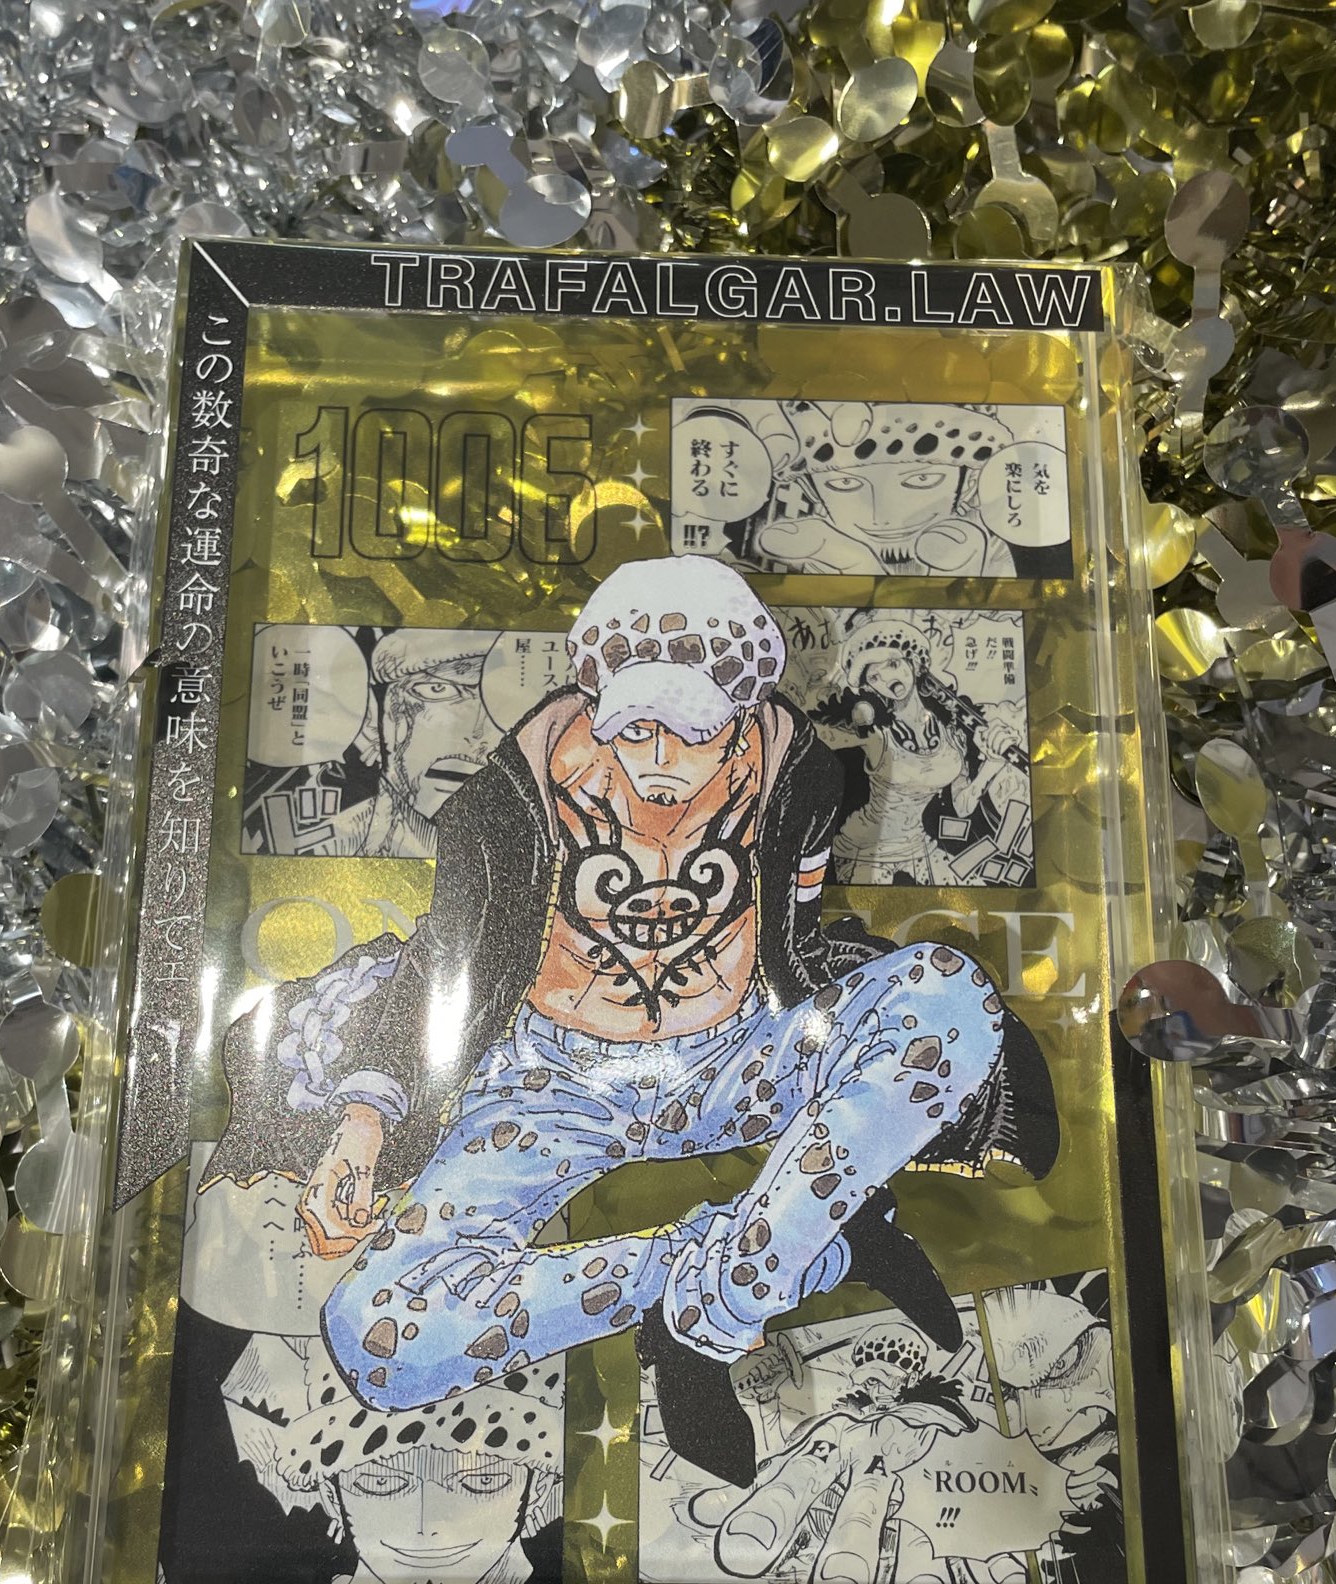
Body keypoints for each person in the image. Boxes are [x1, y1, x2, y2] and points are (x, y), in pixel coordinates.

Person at [239, 554, 1058, 1489]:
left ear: (742, 710)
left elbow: (793, 938)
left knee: (947, 993)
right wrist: (365, 1118)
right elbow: (447, 950)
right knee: (375, 1337)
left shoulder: (795, 771)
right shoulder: (514, 792)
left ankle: (709, 1319)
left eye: (693, 732)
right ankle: (771, 1257)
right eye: (634, 728)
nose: (660, 759)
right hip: (549, 1087)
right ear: (597, 701)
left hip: (735, 1057)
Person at [806, 618, 1031, 887]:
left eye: (893, 664)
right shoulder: (875, 732)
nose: (888, 679)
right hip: (869, 850)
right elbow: (815, 734)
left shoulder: (951, 732)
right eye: (875, 677)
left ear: (912, 663)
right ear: (870, 688)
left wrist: (992, 765)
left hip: (924, 846)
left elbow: (962, 806)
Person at [745, 403, 1073, 580]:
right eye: (844, 484)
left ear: (969, 481)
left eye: (921, 480)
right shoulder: (802, 566)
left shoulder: (1010, 553)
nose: (883, 517)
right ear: (812, 490)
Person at [327, 629, 504, 856]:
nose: (478, 733)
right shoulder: (334, 843)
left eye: (502, 700)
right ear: (376, 714)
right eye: (438, 689)